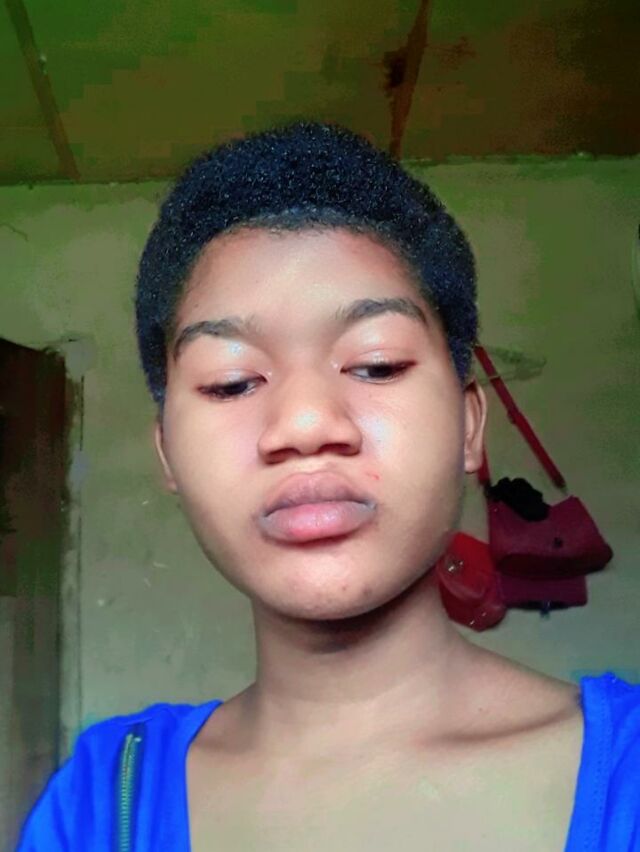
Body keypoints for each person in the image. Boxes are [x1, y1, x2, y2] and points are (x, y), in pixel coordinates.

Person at [17, 121, 640, 851]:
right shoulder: (100, 805)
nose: (306, 424)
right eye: (232, 381)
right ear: (169, 454)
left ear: (470, 427)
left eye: (377, 365)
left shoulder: (625, 775)